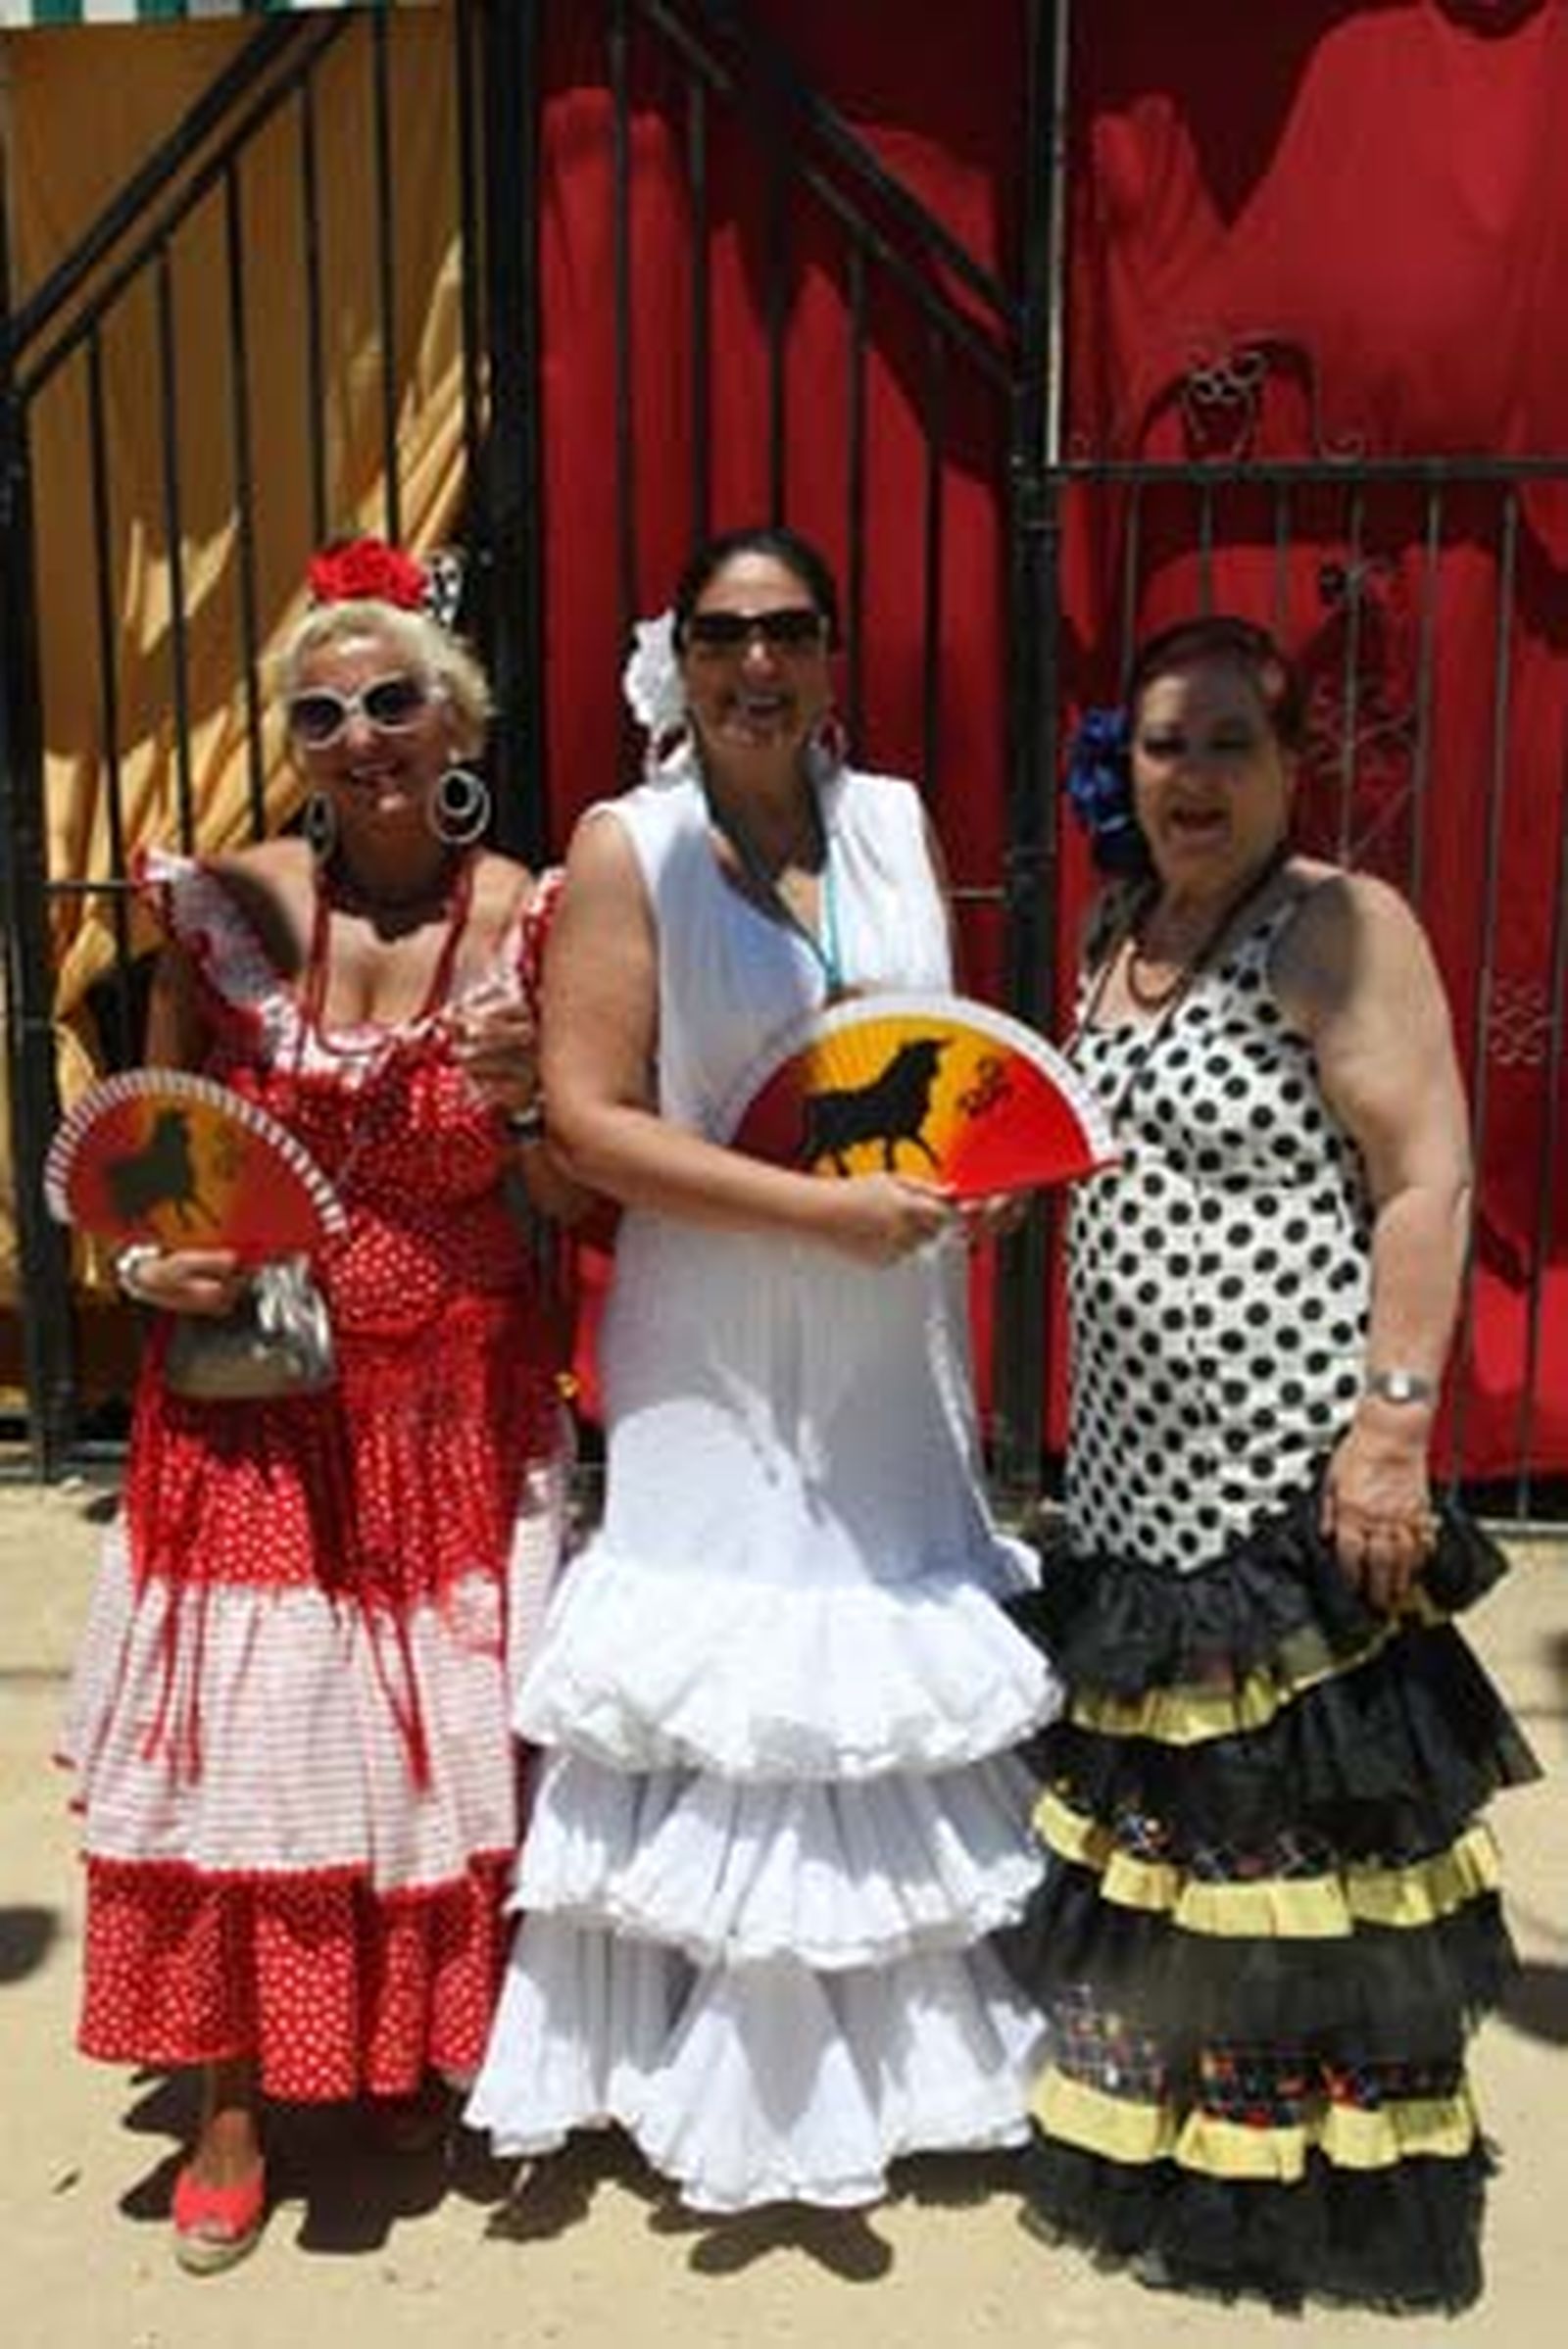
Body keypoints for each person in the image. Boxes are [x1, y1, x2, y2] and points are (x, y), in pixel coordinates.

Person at [466, 523, 1060, 2213]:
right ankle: (691, 2060)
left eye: (789, 630)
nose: (756, 664)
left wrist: (986, 1186)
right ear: (680, 658)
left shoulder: (895, 821)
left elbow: (939, 1064)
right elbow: (591, 1122)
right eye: (723, 635)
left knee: (872, 1636)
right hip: (713, 1331)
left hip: (886, 1328)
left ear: (831, 654)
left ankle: (906, 2062)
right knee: (734, 1648)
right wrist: (815, 1213)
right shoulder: (629, 844)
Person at [1007, 614, 1539, 2312]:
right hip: (1138, 1488)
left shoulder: (1337, 927)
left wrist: (1394, 1431)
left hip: (1291, 1483)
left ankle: (1317, 2191)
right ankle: (1173, 2149)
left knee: (1304, 1853)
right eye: (1167, 742)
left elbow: (1426, 1178)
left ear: (1293, 762)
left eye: (1232, 740)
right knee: (1175, 1845)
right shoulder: (1119, 929)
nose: (1196, 776)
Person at [60, 536, 578, 2274]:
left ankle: (402, 2038)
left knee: (419, 1745)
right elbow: (151, 1145)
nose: (361, 738)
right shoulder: (230, 909)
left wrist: (527, 1105)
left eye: (393, 700)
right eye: (321, 714)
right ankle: (232, 2098)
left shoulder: (532, 918)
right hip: (255, 1404)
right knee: (256, 1744)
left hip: (450, 1410)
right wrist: (152, 1267)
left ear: (460, 721)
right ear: (292, 746)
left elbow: (582, 1194)